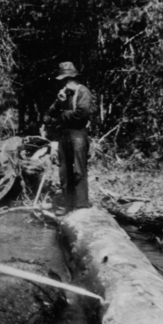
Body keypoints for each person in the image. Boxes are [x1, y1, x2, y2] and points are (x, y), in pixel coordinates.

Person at [44, 61, 95, 215]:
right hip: (64, 135)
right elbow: (49, 115)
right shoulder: (63, 95)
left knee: (79, 170)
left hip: (78, 133)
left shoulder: (83, 92)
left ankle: (81, 204)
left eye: (66, 80)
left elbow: (82, 113)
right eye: (63, 81)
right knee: (64, 171)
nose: (65, 84)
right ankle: (68, 204)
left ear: (73, 79)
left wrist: (61, 117)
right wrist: (59, 102)